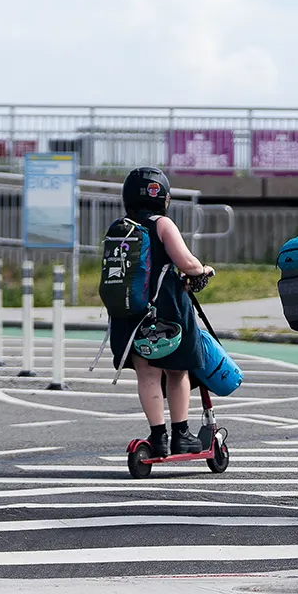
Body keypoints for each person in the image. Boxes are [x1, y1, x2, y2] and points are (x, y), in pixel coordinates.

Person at [110, 167, 216, 458]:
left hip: (129, 312)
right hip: (166, 310)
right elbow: (187, 263)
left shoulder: (120, 227)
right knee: (177, 370)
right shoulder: (162, 224)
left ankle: (158, 437)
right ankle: (181, 433)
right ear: (163, 197)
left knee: (146, 373)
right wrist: (203, 270)